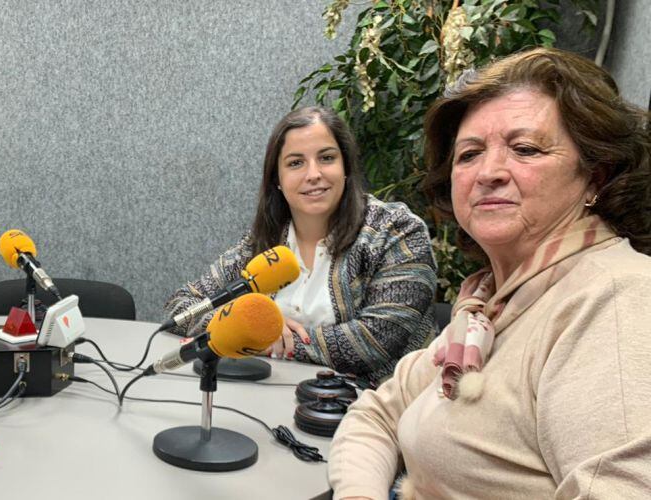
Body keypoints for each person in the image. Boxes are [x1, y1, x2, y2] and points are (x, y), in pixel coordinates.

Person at [328, 47, 651, 499]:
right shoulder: (486, 308)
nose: (489, 172)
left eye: (525, 149)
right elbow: (377, 413)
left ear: (595, 177)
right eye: (469, 154)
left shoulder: (617, 300)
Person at [163, 107, 438, 384]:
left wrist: (266, 337)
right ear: (277, 180)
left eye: (327, 158)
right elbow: (181, 307)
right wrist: (236, 325)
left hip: (382, 412)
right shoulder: (262, 244)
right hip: (272, 401)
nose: (313, 174)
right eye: (296, 163)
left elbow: (377, 338)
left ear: (346, 168)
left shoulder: (395, 231)